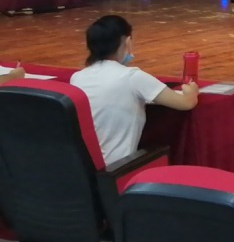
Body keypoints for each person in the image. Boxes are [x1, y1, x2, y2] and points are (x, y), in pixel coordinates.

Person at [70, 15, 199, 165]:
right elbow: (185, 103)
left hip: (83, 167)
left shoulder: (77, 78)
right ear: (127, 42)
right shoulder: (132, 77)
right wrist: (192, 91)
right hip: (118, 168)